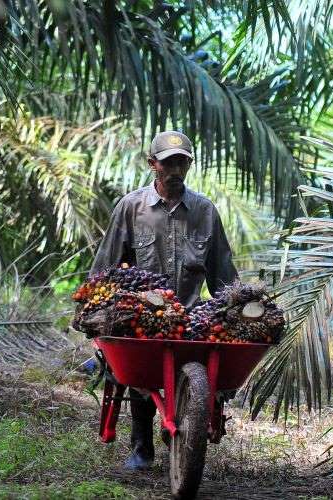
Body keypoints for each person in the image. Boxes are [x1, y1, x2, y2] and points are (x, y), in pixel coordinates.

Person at [90, 130, 238, 470]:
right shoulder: (131, 207)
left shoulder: (204, 211)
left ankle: (185, 425)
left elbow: (222, 273)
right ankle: (141, 446)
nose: (175, 170)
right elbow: (106, 266)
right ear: (152, 164)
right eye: (168, 163)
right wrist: (94, 308)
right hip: (142, 315)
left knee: (202, 359)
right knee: (140, 366)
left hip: (189, 316)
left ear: (188, 165)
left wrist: (238, 315)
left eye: (182, 163)